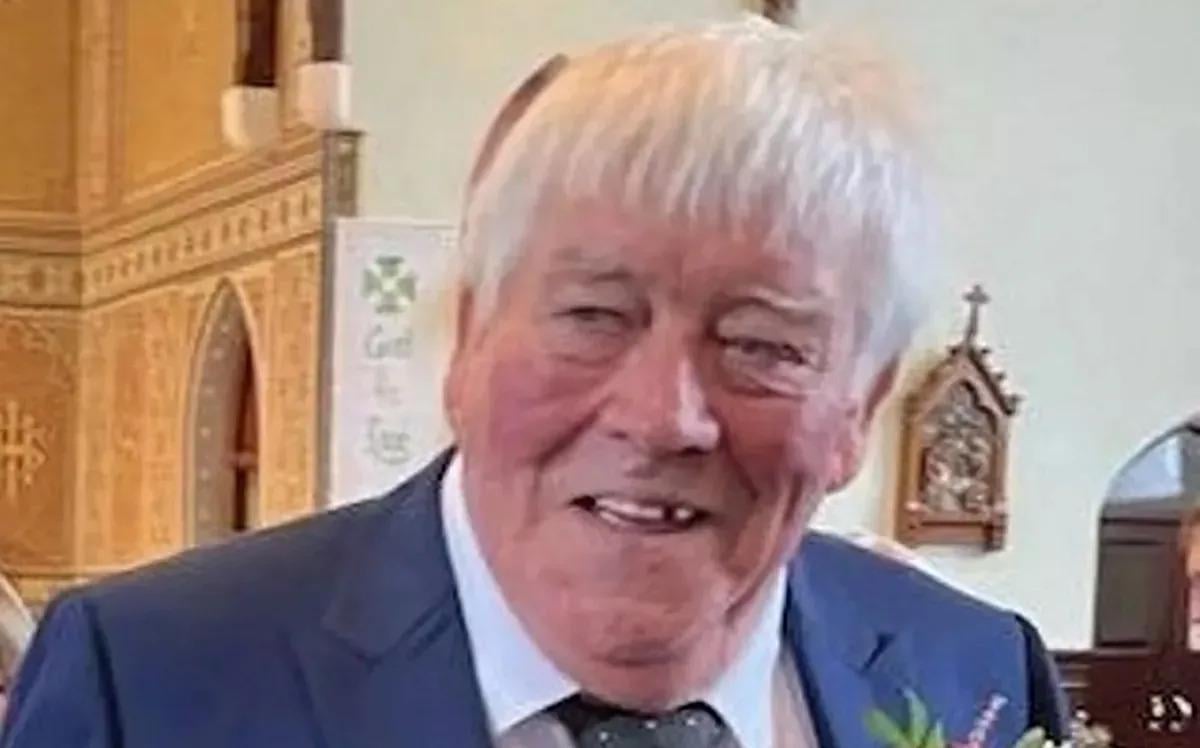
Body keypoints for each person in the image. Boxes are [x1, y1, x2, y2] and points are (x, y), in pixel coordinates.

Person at [0, 18, 1067, 748]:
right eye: (594, 315)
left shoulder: (973, 674)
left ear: (859, 411)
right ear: (470, 338)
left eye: (760, 344)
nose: (663, 417)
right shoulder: (152, 684)